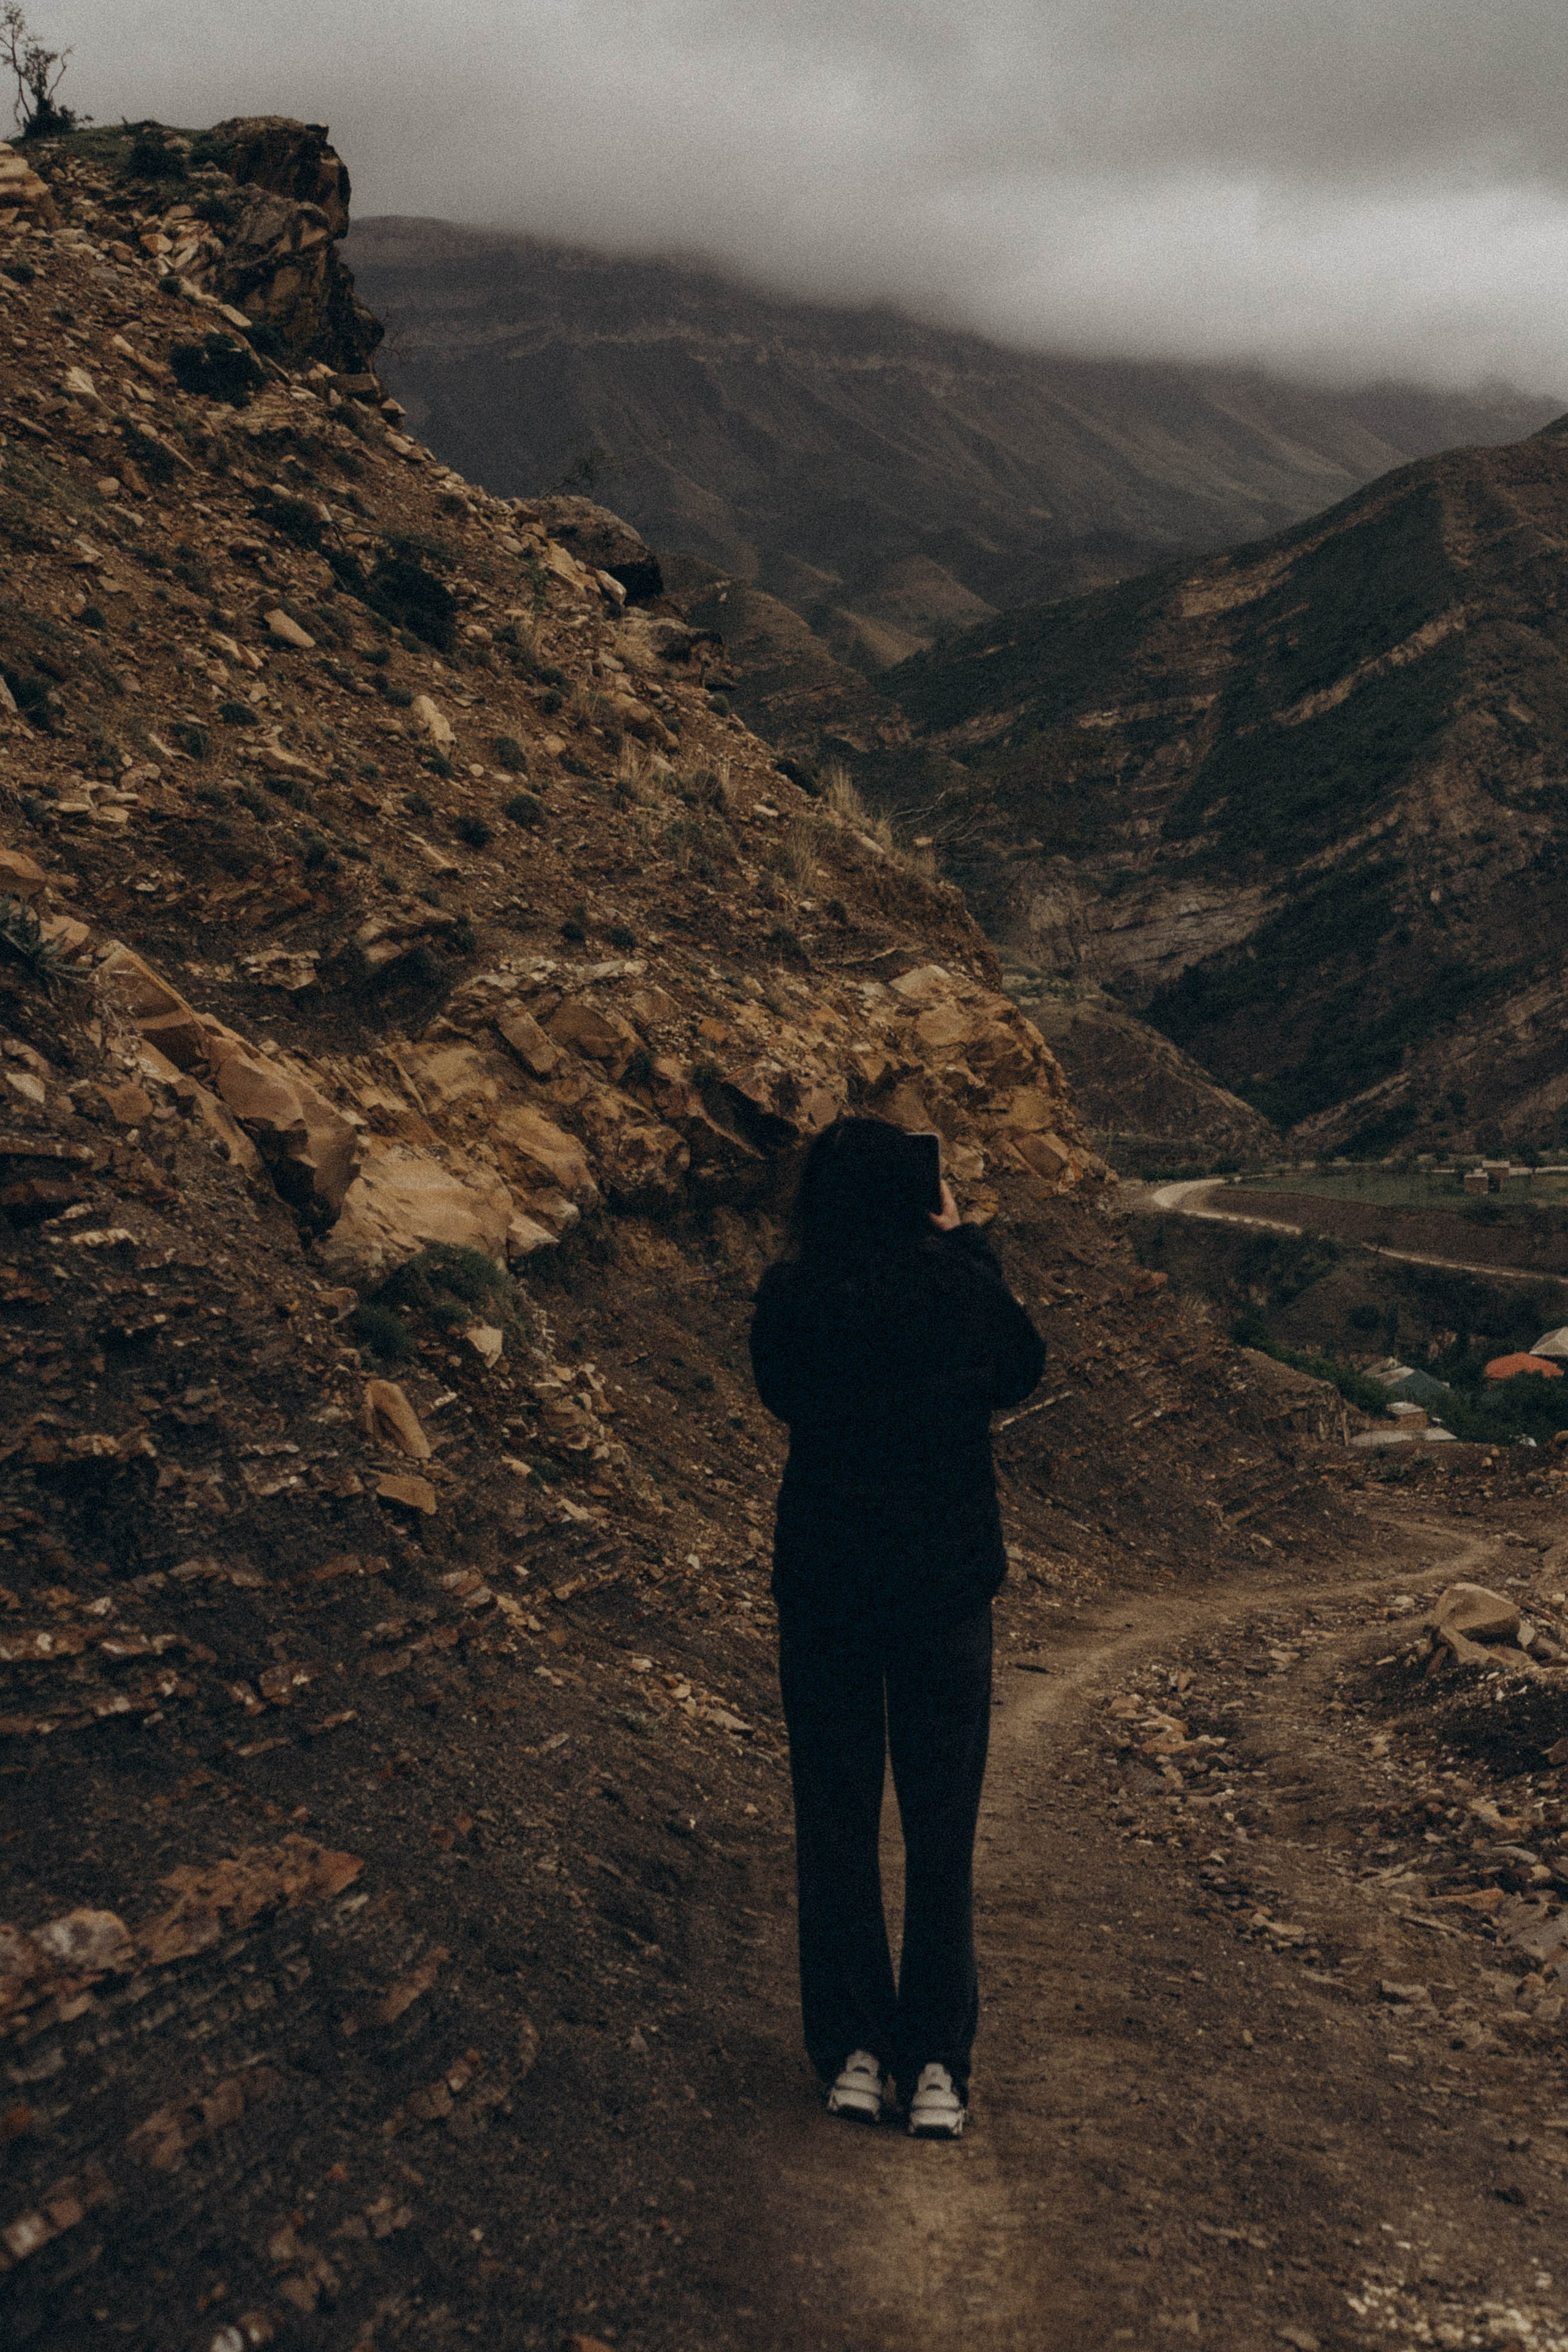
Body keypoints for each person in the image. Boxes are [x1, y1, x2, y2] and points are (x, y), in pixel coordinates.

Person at [748, 1116, 1046, 2138]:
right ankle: (939, 2069)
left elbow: (777, 1391)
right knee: (939, 1833)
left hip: (828, 1592)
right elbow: (1020, 1369)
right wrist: (964, 1243)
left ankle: (855, 2054)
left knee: (835, 1825)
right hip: (944, 1595)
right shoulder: (960, 1289)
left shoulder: (792, 1297)